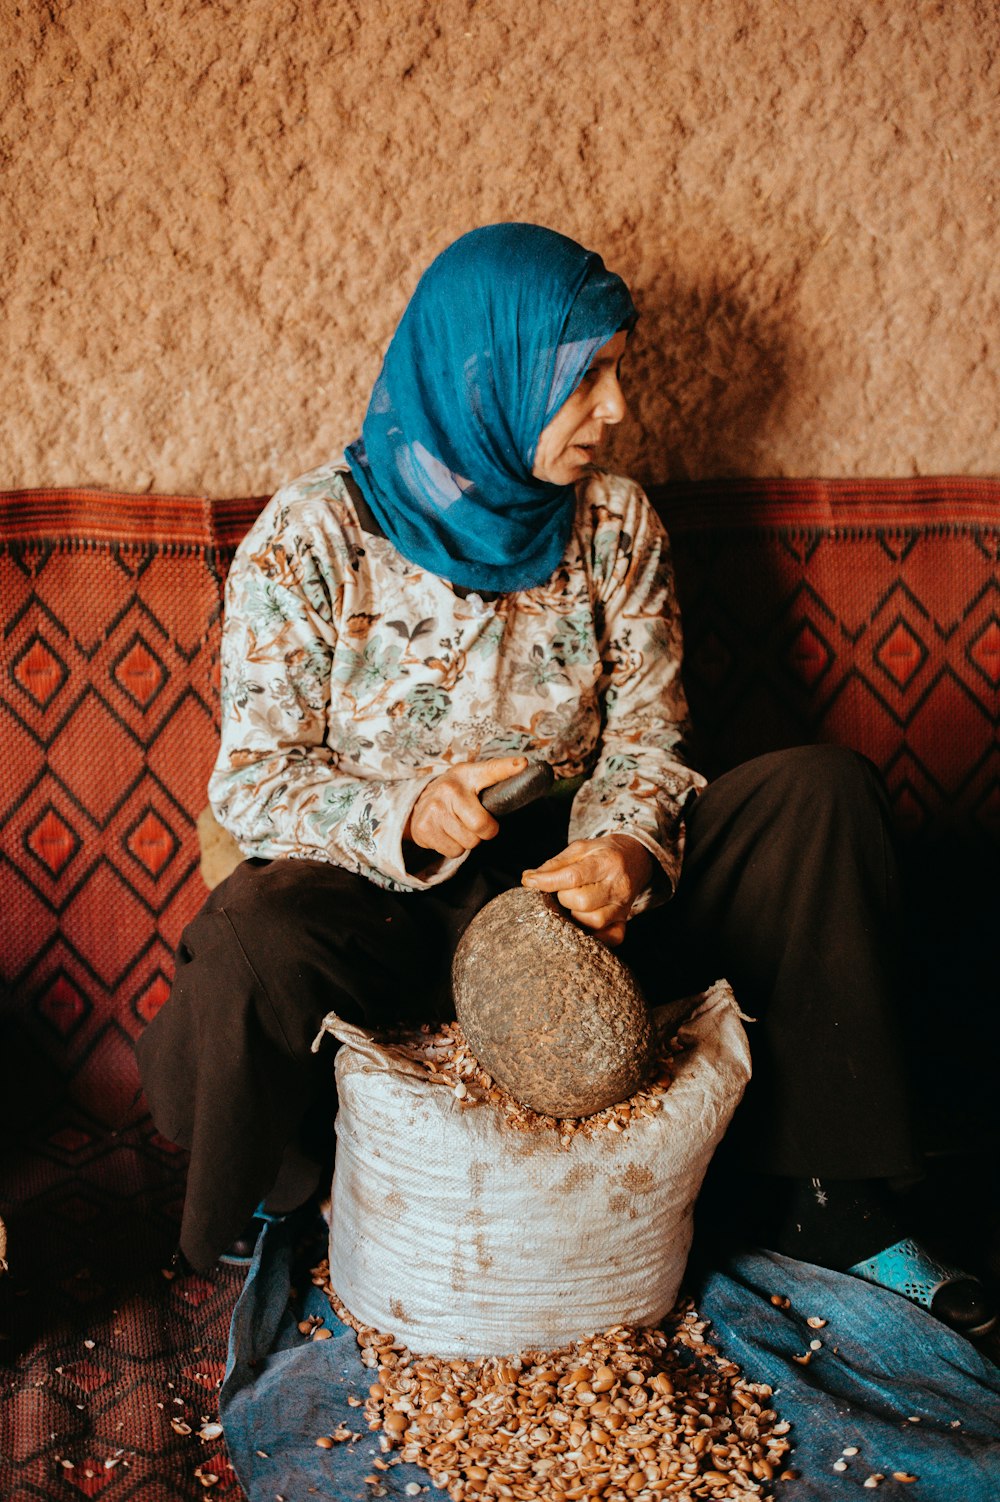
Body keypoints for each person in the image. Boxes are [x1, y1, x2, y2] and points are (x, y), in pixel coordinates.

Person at [137, 223, 994, 1338]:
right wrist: (405, 812)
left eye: (615, 371)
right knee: (254, 926)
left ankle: (830, 1195)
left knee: (817, 794)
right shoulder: (311, 539)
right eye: (584, 376)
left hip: (580, 900)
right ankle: (275, 1201)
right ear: (484, 378)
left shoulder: (614, 524)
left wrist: (626, 851)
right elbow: (254, 777)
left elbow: (651, 736)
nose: (618, 407)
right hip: (397, 903)